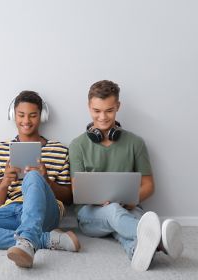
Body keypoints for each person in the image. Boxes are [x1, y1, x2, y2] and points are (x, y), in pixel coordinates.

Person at [0, 90, 80, 268]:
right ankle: (41, 239)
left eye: (33, 115)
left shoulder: (59, 150)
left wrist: (47, 180)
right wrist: (5, 180)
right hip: (12, 210)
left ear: (41, 116)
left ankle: (28, 241)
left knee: (33, 176)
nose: (26, 121)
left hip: (46, 212)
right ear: (13, 115)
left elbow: (69, 198)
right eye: (21, 115)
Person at [69, 80, 183, 271]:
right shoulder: (77, 145)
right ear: (89, 107)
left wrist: (131, 201)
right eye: (97, 111)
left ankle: (137, 250)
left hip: (128, 208)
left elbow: (148, 185)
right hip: (90, 214)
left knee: (125, 227)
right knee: (115, 211)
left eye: (109, 110)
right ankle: (161, 241)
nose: (103, 117)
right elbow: (76, 190)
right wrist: (100, 201)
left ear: (118, 107)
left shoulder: (135, 143)